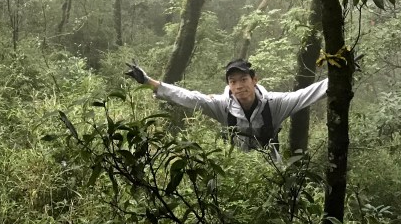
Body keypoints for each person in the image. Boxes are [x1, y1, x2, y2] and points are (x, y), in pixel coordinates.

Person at [124, 58, 328, 159]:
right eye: (233, 81)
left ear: (254, 80)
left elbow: (306, 94)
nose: (239, 86)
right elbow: (189, 98)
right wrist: (148, 81)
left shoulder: (274, 104)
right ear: (229, 85)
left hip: (271, 172)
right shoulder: (222, 106)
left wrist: (338, 74)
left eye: (243, 79)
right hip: (236, 170)